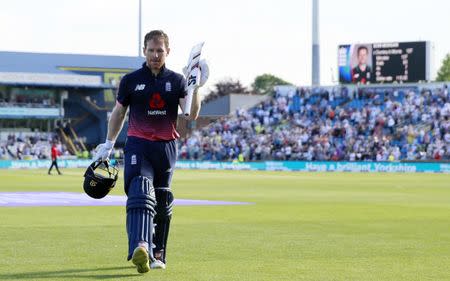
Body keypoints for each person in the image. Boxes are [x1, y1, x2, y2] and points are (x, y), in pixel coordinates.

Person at [93, 30, 208, 273]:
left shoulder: (177, 80)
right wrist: (108, 143)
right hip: (138, 144)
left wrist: (196, 88)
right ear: (144, 50)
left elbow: (191, 114)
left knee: (163, 200)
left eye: (160, 51)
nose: (156, 55)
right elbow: (119, 113)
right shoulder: (131, 80)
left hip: (166, 147)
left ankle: (158, 253)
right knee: (139, 190)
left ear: (168, 52)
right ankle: (140, 246)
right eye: (151, 50)